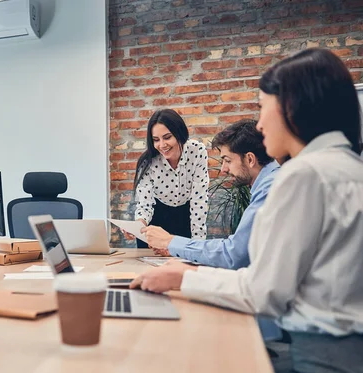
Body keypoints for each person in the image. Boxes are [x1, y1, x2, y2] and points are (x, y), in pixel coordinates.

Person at [131, 48, 363, 372]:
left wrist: (185, 276)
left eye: (262, 108)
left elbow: (264, 292)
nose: (260, 124)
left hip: (323, 353)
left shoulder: (304, 175)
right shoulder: (350, 166)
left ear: (292, 108)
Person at [142, 119, 279, 270]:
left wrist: (170, 241)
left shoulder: (270, 189)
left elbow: (233, 254)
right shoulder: (271, 182)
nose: (223, 170)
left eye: (227, 161)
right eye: (156, 139)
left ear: (250, 159)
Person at [132, 109, 209, 248]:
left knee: (184, 265)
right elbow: (145, 204)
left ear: (179, 133)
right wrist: (137, 226)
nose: (162, 145)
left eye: (167, 137)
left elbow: (199, 201)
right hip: (155, 222)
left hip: (184, 220)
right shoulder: (148, 161)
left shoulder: (197, 151)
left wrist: (199, 247)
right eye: (156, 140)